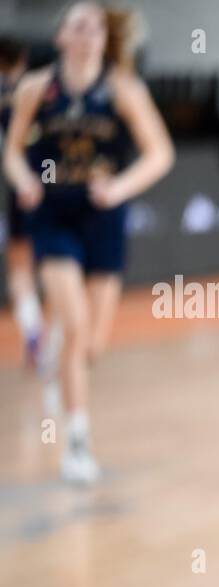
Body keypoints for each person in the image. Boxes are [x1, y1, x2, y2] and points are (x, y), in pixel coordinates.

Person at [2, 3, 174, 484]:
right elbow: (11, 152)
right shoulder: (37, 87)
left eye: (96, 27)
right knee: (76, 327)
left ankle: (60, 354)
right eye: (78, 26)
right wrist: (24, 182)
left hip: (103, 217)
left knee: (92, 344)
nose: (88, 34)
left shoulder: (122, 89)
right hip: (53, 214)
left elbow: (160, 153)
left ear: (104, 37)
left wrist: (119, 188)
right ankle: (76, 445)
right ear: (60, 37)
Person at [0, 36, 43, 370]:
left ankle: (34, 330)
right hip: (52, 187)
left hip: (24, 190)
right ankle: (47, 335)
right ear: (23, 57)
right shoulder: (45, 91)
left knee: (20, 267)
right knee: (55, 263)